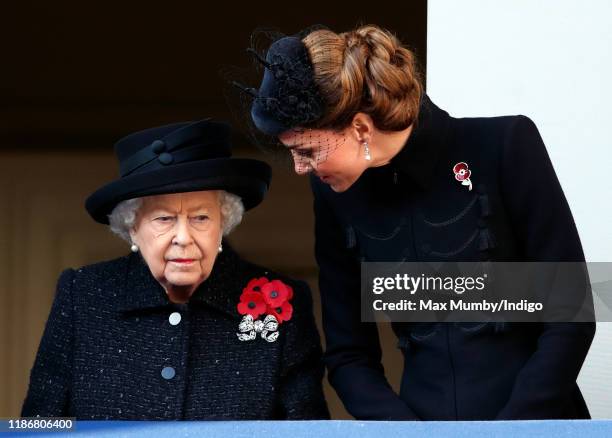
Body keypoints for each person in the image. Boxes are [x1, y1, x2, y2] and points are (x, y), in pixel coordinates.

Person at [233, 24, 596, 420]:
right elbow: (349, 354)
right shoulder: (335, 196)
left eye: (308, 151)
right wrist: (407, 434)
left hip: (537, 425)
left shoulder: (504, 144)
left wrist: (512, 432)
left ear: (359, 128)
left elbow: (570, 315)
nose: (300, 169)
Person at [21, 119, 329, 420]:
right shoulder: (84, 296)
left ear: (223, 223)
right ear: (132, 228)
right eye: (163, 219)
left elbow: (310, 430)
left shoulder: (283, 302)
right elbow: (39, 426)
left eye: (201, 218)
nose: (183, 238)